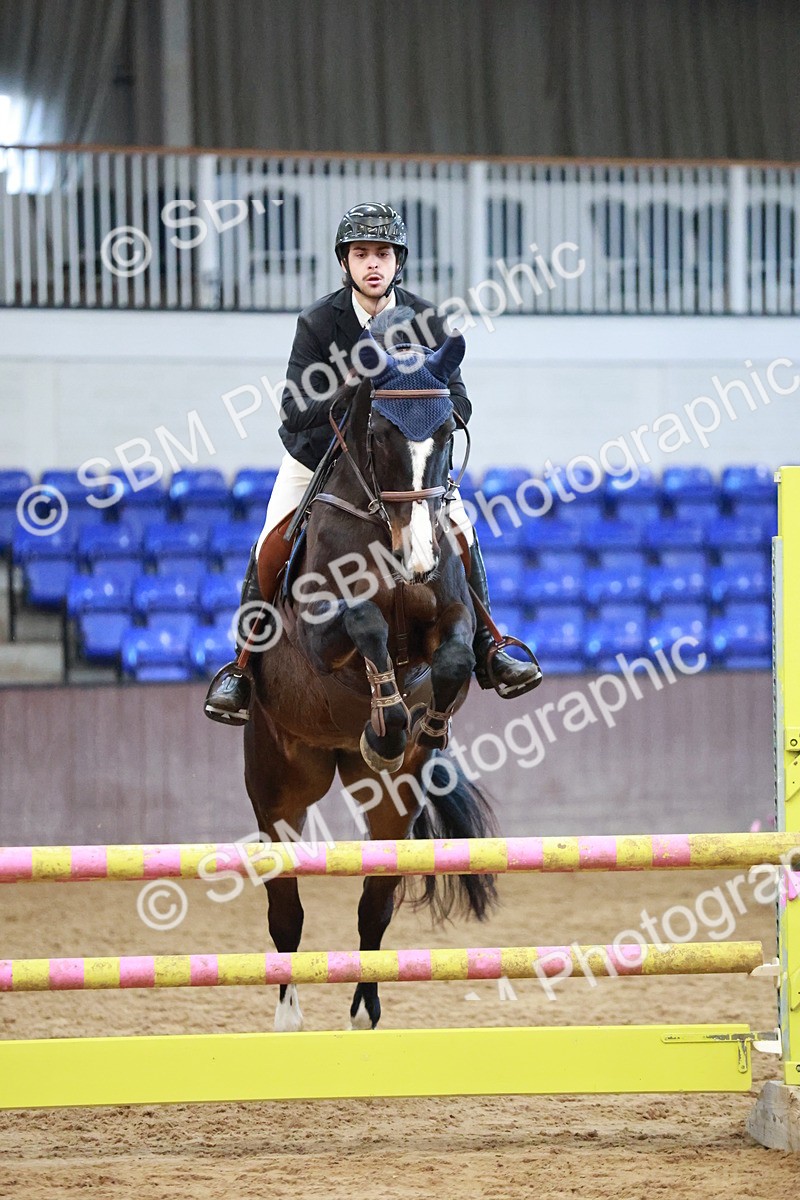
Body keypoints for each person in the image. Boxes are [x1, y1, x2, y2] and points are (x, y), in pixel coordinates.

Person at [204, 203, 542, 724]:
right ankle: (243, 668)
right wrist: (354, 380)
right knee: (270, 542)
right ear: (346, 262)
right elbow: (293, 407)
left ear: (397, 260)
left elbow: (461, 403)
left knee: (464, 532)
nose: (372, 264)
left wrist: (420, 404)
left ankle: (489, 647)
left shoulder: (427, 319)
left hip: (407, 465)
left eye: (382, 253)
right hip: (323, 458)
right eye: (361, 254)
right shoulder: (319, 322)